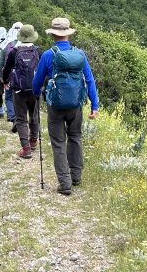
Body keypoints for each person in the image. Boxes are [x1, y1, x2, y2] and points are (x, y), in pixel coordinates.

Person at [31, 17, 99, 196]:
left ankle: (65, 182)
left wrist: (37, 92)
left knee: (58, 142)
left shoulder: (48, 55)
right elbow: (90, 80)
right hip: (76, 105)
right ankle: (76, 176)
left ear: (53, 34)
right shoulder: (80, 55)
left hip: (56, 106)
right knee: (75, 137)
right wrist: (94, 105)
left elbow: (36, 83)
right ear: (68, 34)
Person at [1, 24, 42, 159]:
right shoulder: (37, 51)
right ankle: (34, 141)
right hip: (35, 89)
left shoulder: (14, 51)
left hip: (19, 89)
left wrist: (5, 81)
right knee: (34, 114)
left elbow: (6, 69)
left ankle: (26, 149)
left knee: (21, 118)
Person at [0, 21, 24, 129]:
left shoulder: (8, 45)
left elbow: (2, 63)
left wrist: (2, 78)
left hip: (10, 76)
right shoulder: (26, 45)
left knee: (9, 97)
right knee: (21, 98)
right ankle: (22, 119)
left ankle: (13, 118)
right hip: (23, 78)